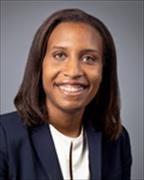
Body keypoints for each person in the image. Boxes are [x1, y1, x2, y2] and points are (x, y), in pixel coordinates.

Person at [0, 8, 132, 180]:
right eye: (60, 55)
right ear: (40, 65)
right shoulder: (3, 135)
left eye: (89, 58)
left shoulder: (116, 140)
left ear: (104, 71)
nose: (74, 71)